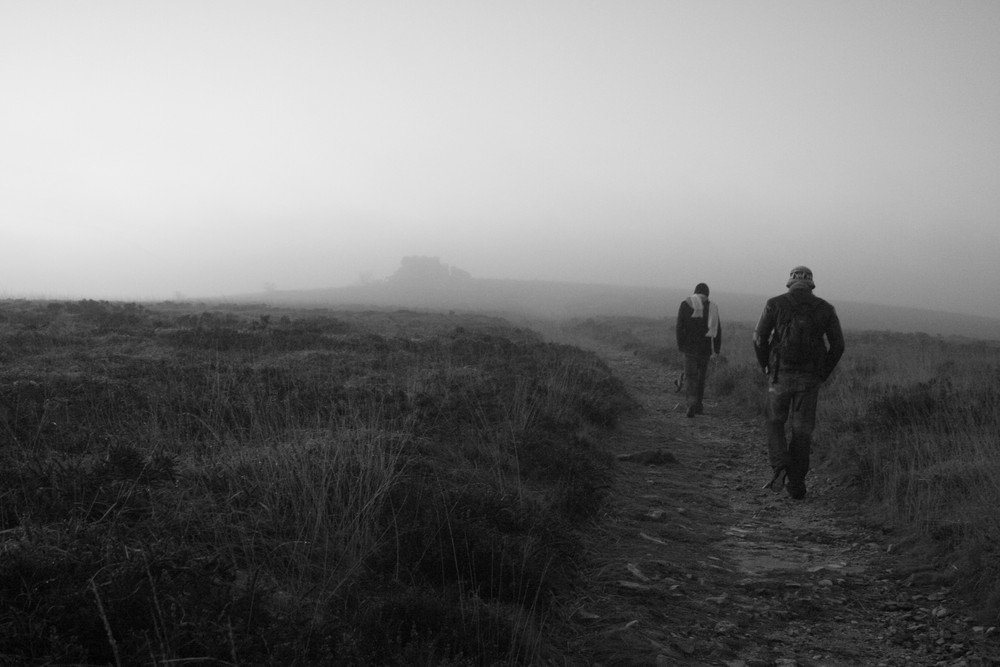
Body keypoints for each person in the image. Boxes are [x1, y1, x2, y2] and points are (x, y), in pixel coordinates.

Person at [753, 266, 844, 500]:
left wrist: (765, 365)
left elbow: (759, 337)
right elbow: (838, 345)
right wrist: (823, 373)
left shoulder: (774, 303)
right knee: (802, 431)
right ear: (811, 285)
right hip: (810, 379)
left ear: (789, 283)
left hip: (779, 375)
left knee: (774, 422)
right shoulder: (825, 308)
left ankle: (780, 463)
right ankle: (797, 483)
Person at [676, 283, 722, 418]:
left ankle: (691, 403)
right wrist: (717, 349)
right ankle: (698, 406)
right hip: (705, 349)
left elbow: (679, 326)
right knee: (701, 378)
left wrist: (680, 344)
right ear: (707, 294)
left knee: (691, 377)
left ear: (695, 292)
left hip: (689, 348)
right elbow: (717, 330)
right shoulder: (712, 307)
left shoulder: (685, 304)